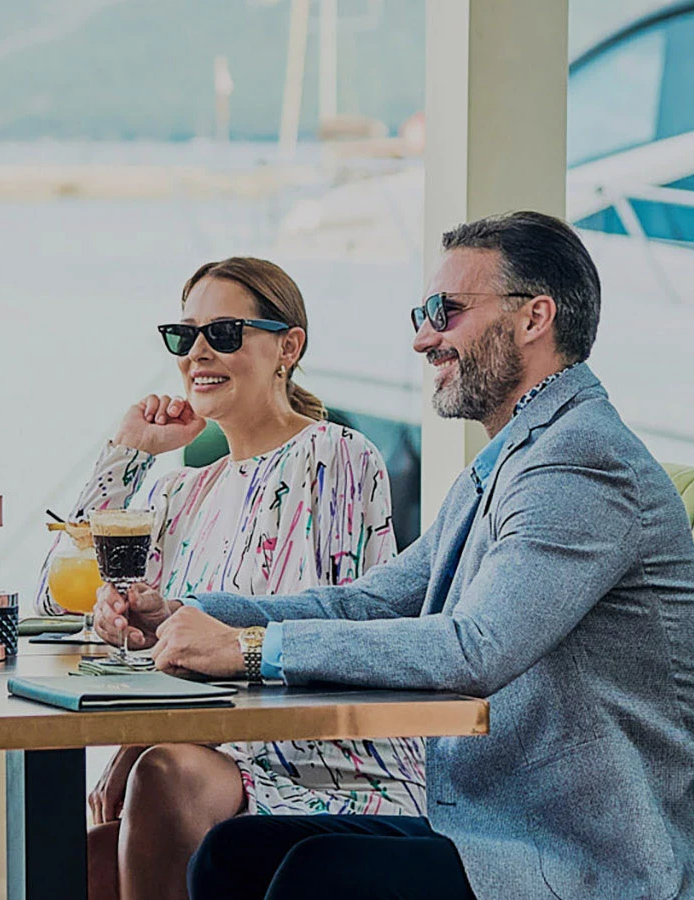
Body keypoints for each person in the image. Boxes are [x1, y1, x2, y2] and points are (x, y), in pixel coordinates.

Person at [99, 212, 694, 900]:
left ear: (535, 318)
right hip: (498, 830)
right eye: (423, 313)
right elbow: (370, 601)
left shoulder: (581, 461)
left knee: (317, 880)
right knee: (235, 855)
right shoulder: (512, 459)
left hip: (612, 858)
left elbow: (475, 649)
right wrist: (188, 613)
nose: (422, 338)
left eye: (445, 312)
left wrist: (253, 651)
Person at [36, 257, 421, 900]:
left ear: (287, 347)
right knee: (87, 855)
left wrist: (137, 744)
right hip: (218, 759)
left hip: (323, 763)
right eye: (184, 336)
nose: (198, 354)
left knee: (157, 776)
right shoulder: (179, 491)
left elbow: (324, 631)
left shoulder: (335, 457)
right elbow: (58, 597)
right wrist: (128, 451)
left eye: (225, 333)